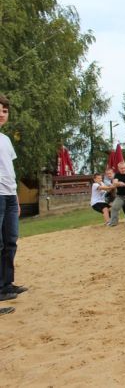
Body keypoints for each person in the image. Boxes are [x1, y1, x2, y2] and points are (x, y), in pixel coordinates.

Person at [0, 94, 27, 315]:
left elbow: (10, 172)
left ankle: (6, 285)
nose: (2, 113)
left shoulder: (6, 140)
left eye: (5, 110)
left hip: (9, 197)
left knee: (10, 242)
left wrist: (16, 197)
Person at [107, 161, 125, 227]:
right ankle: (113, 223)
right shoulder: (117, 175)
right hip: (120, 196)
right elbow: (114, 182)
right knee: (114, 207)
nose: (123, 169)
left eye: (124, 168)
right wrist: (119, 183)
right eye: (121, 168)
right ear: (118, 169)